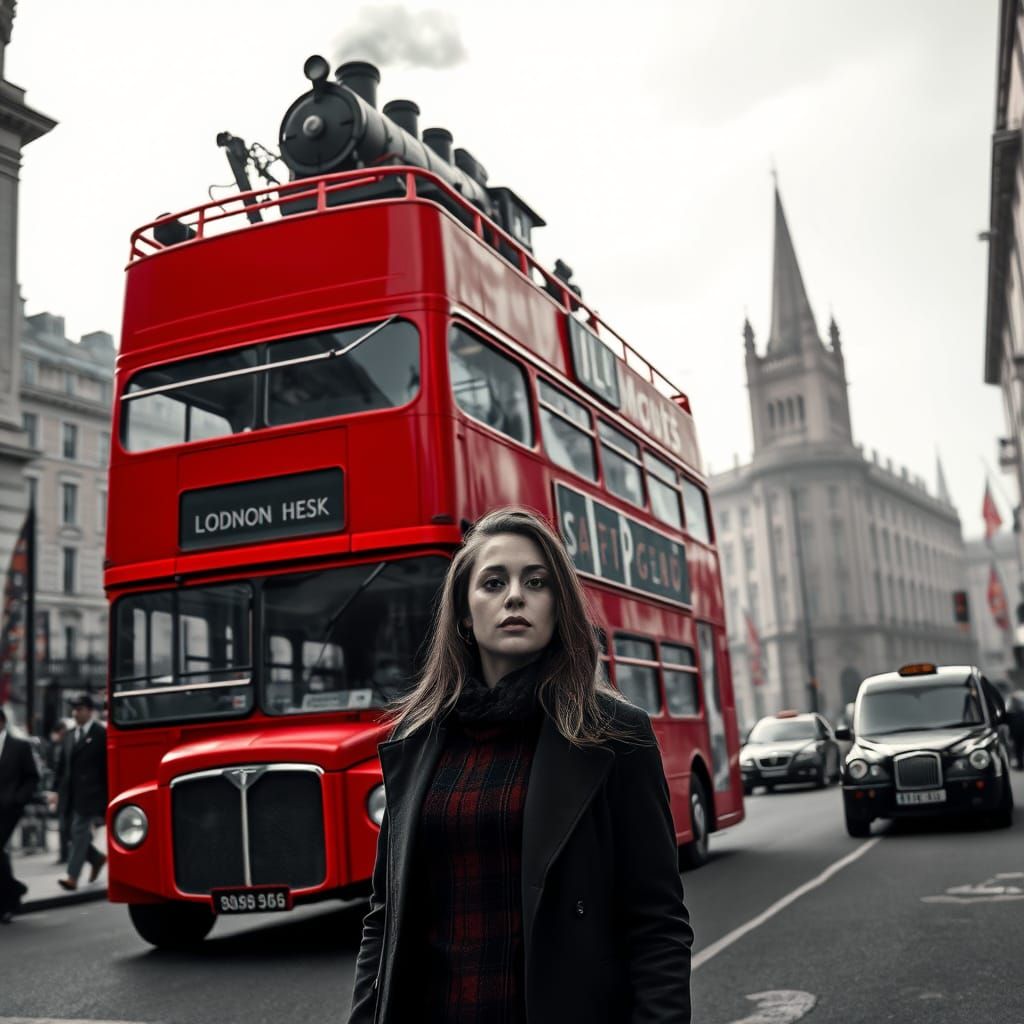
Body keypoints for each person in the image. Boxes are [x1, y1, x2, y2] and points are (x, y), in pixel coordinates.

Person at [347, 507, 693, 1024]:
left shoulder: (615, 735)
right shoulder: (417, 739)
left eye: (536, 582)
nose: (515, 596)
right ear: (464, 613)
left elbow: (657, 922)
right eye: (493, 582)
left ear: (558, 607)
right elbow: (384, 916)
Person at [55, 695, 108, 891]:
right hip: (69, 795)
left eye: (79, 709)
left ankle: (72, 877)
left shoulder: (101, 734)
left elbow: (107, 767)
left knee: (78, 832)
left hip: (91, 795)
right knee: (69, 832)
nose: (75, 713)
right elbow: (62, 766)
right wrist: (55, 790)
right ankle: (96, 859)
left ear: (89, 711)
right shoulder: (69, 735)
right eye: (74, 709)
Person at [0, 706, 40, 923]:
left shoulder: (20, 747)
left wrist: (18, 799)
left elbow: (32, 777)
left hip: (8, 808)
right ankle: (12, 893)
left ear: (2, 722)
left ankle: (11, 894)